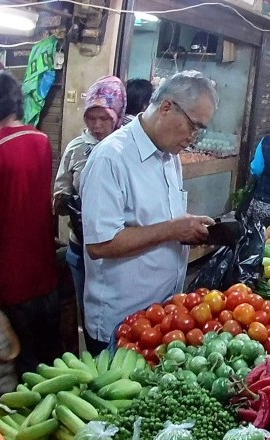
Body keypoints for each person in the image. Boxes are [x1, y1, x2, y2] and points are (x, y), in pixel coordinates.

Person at [79, 71, 218, 353]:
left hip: (163, 314)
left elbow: (158, 221)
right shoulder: (111, 158)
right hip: (121, 323)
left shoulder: (170, 157)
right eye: (193, 126)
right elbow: (100, 244)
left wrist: (188, 228)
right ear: (167, 107)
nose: (193, 138)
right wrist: (172, 230)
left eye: (200, 131)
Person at [0, 71, 60, 373]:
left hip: (11, 279)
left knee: (22, 371)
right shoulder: (41, 140)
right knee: (50, 367)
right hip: (45, 274)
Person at [53, 76, 127, 325]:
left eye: (104, 118)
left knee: (118, 316)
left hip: (119, 250)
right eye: (91, 118)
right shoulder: (76, 148)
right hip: (81, 247)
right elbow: (60, 189)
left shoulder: (126, 148)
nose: (97, 125)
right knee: (88, 314)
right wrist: (67, 202)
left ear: (117, 115)